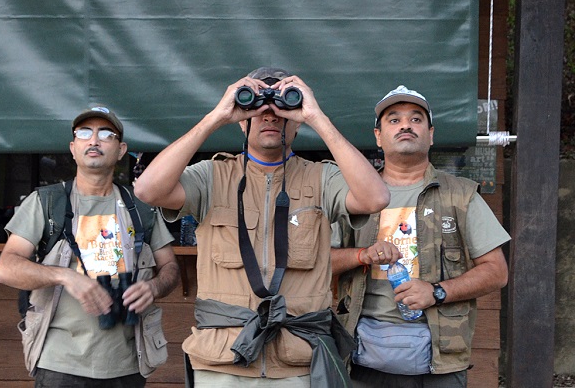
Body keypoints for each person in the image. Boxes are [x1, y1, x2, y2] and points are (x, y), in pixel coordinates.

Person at [134, 67, 390, 387]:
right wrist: (216, 116)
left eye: (283, 110)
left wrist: (316, 117)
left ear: (296, 119)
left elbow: (375, 198)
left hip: (297, 365)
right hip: (222, 364)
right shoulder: (213, 176)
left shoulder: (321, 179)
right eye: (258, 110)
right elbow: (147, 191)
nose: (270, 116)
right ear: (243, 120)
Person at [331, 85, 510, 388]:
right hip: (362, 353)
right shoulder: (353, 195)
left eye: (416, 120)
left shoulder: (461, 194)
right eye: (393, 119)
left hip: (439, 358)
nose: (404, 125)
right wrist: (362, 255)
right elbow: (321, 261)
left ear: (431, 134)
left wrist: (436, 291)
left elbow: (497, 272)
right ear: (378, 136)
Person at [0, 105, 179, 387]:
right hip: (59, 362)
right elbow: (6, 268)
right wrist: (64, 276)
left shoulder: (141, 207)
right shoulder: (46, 202)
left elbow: (169, 267)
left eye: (106, 134)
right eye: (84, 133)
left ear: (120, 150)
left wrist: (154, 287)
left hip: (128, 362)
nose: (94, 140)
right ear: (73, 147)